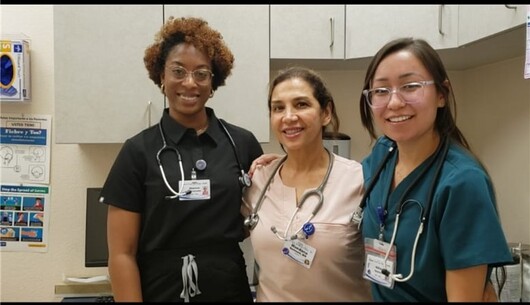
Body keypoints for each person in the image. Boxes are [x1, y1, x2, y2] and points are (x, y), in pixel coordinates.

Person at [100, 16, 263, 302]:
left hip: (229, 289)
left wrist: (282, 170)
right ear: (161, 77)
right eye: (178, 71)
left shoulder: (242, 143)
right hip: (160, 291)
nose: (190, 83)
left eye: (201, 74)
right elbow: (121, 254)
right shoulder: (137, 152)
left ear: (214, 82)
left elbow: (263, 217)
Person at [355, 37, 513, 302]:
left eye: (410, 86)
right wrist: (284, 165)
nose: (394, 102)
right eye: (381, 90)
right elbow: (334, 178)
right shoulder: (383, 154)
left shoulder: (462, 183)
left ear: (442, 94)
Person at [242, 67, 372, 302]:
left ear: (326, 113)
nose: (288, 116)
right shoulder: (260, 179)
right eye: (278, 107)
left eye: (301, 104)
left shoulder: (359, 181)